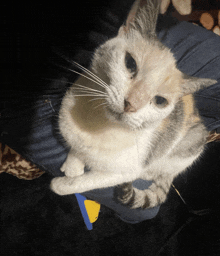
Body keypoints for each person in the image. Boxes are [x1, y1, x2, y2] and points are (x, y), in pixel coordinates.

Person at [1, 0, 220, 224]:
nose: (132, 104)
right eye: (130, 66)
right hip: (36, 83)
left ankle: (202, 126)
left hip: (133, 32)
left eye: (159, 100)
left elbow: (128, 171)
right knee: (144, 212)